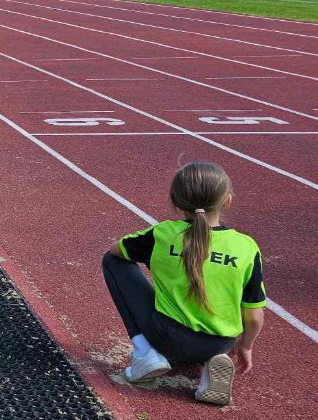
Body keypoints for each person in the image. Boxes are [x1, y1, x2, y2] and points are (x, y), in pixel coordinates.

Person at [104, 162, 264, 406]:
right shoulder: (246, 247)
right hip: (221, 343)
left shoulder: (163, 234)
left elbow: (116, 251)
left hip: (167, 337)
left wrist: (164, 262)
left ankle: (146, 353)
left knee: (112, 262)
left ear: (176, 203)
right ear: (227, 201)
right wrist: (246, 347)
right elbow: (253, 316)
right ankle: (211, 364)